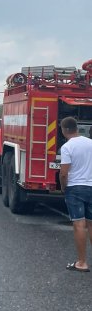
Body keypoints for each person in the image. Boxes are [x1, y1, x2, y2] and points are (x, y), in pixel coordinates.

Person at [60, 116, 92, 272]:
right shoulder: (90, 143)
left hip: (75, 188)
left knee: (79, 225)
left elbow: (64, 172)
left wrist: (63, 187)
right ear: (77, 128)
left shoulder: (67, 147)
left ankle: (82, 262)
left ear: (64, 130)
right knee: (91, 224)